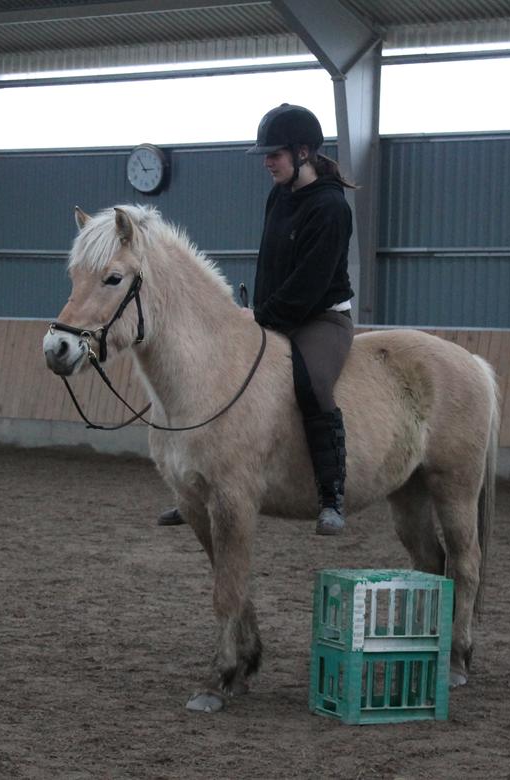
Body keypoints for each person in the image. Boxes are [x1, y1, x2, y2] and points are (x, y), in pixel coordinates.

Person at [159, 103, 356, 535]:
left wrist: (262, 316)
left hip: (321, 320)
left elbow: (308, 285)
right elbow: (271, 263)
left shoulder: (330, 209)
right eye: (266, 154)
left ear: (303, 152)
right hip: (272, 312)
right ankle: (194, 492)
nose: (267, 162)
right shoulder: (280, 195)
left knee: (312, 384)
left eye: (275, 154)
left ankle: (331, 494)